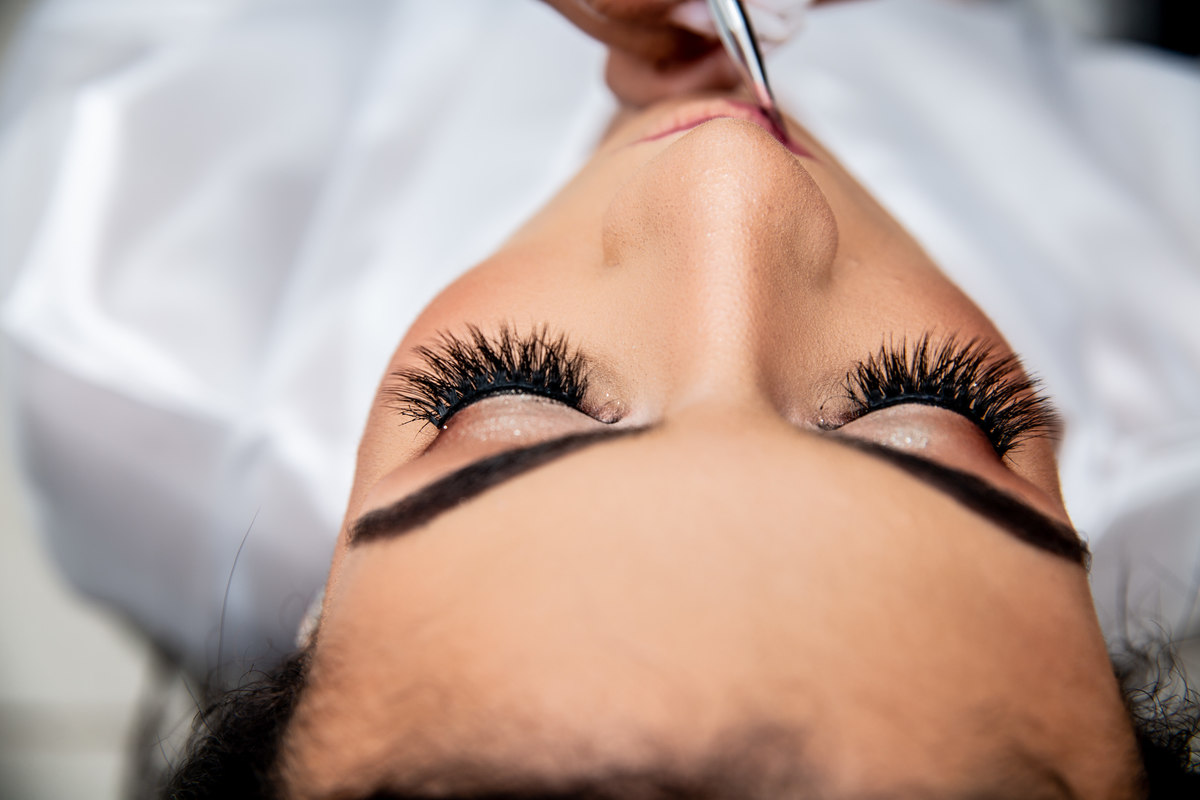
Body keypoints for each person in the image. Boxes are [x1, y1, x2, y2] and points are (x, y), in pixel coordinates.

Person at [1, 1, 1197, 798]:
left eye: (513, 395)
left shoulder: (114, 287)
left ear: (314, 627)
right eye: (931, 412)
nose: (731, 176)